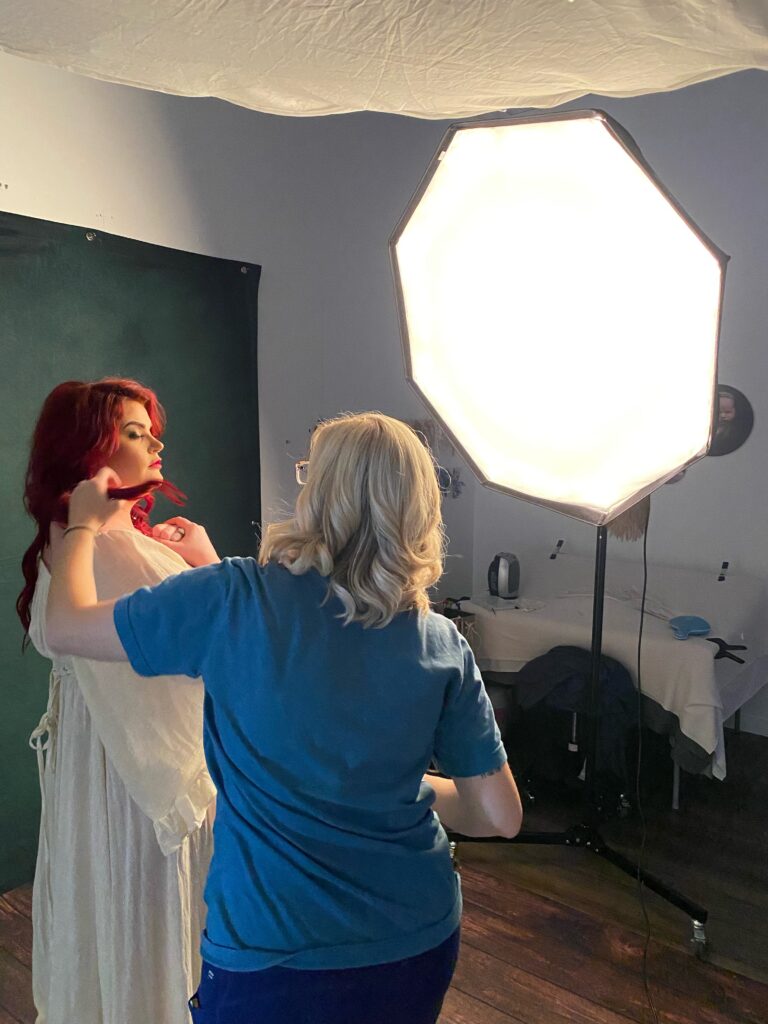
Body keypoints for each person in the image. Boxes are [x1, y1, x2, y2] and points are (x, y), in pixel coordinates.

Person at [45, 411, 522, 1024]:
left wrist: (82, 525)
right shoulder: (441, 643)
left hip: (274, 957)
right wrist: (408, 786)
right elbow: (499, 816)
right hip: (414, 941)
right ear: (420, 511)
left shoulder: (231, 598)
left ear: (317, 494)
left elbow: (66, 625)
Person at [17, 378, 220, 1024]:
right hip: (136, 778)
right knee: (148, 913)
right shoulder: (98, 541)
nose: (157, 441)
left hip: (109, 765)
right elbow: (223, 635)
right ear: (90, 449)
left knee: (118, 911)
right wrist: (206, 563)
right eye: (136, 432)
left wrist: (187, 555)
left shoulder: (92, 537)